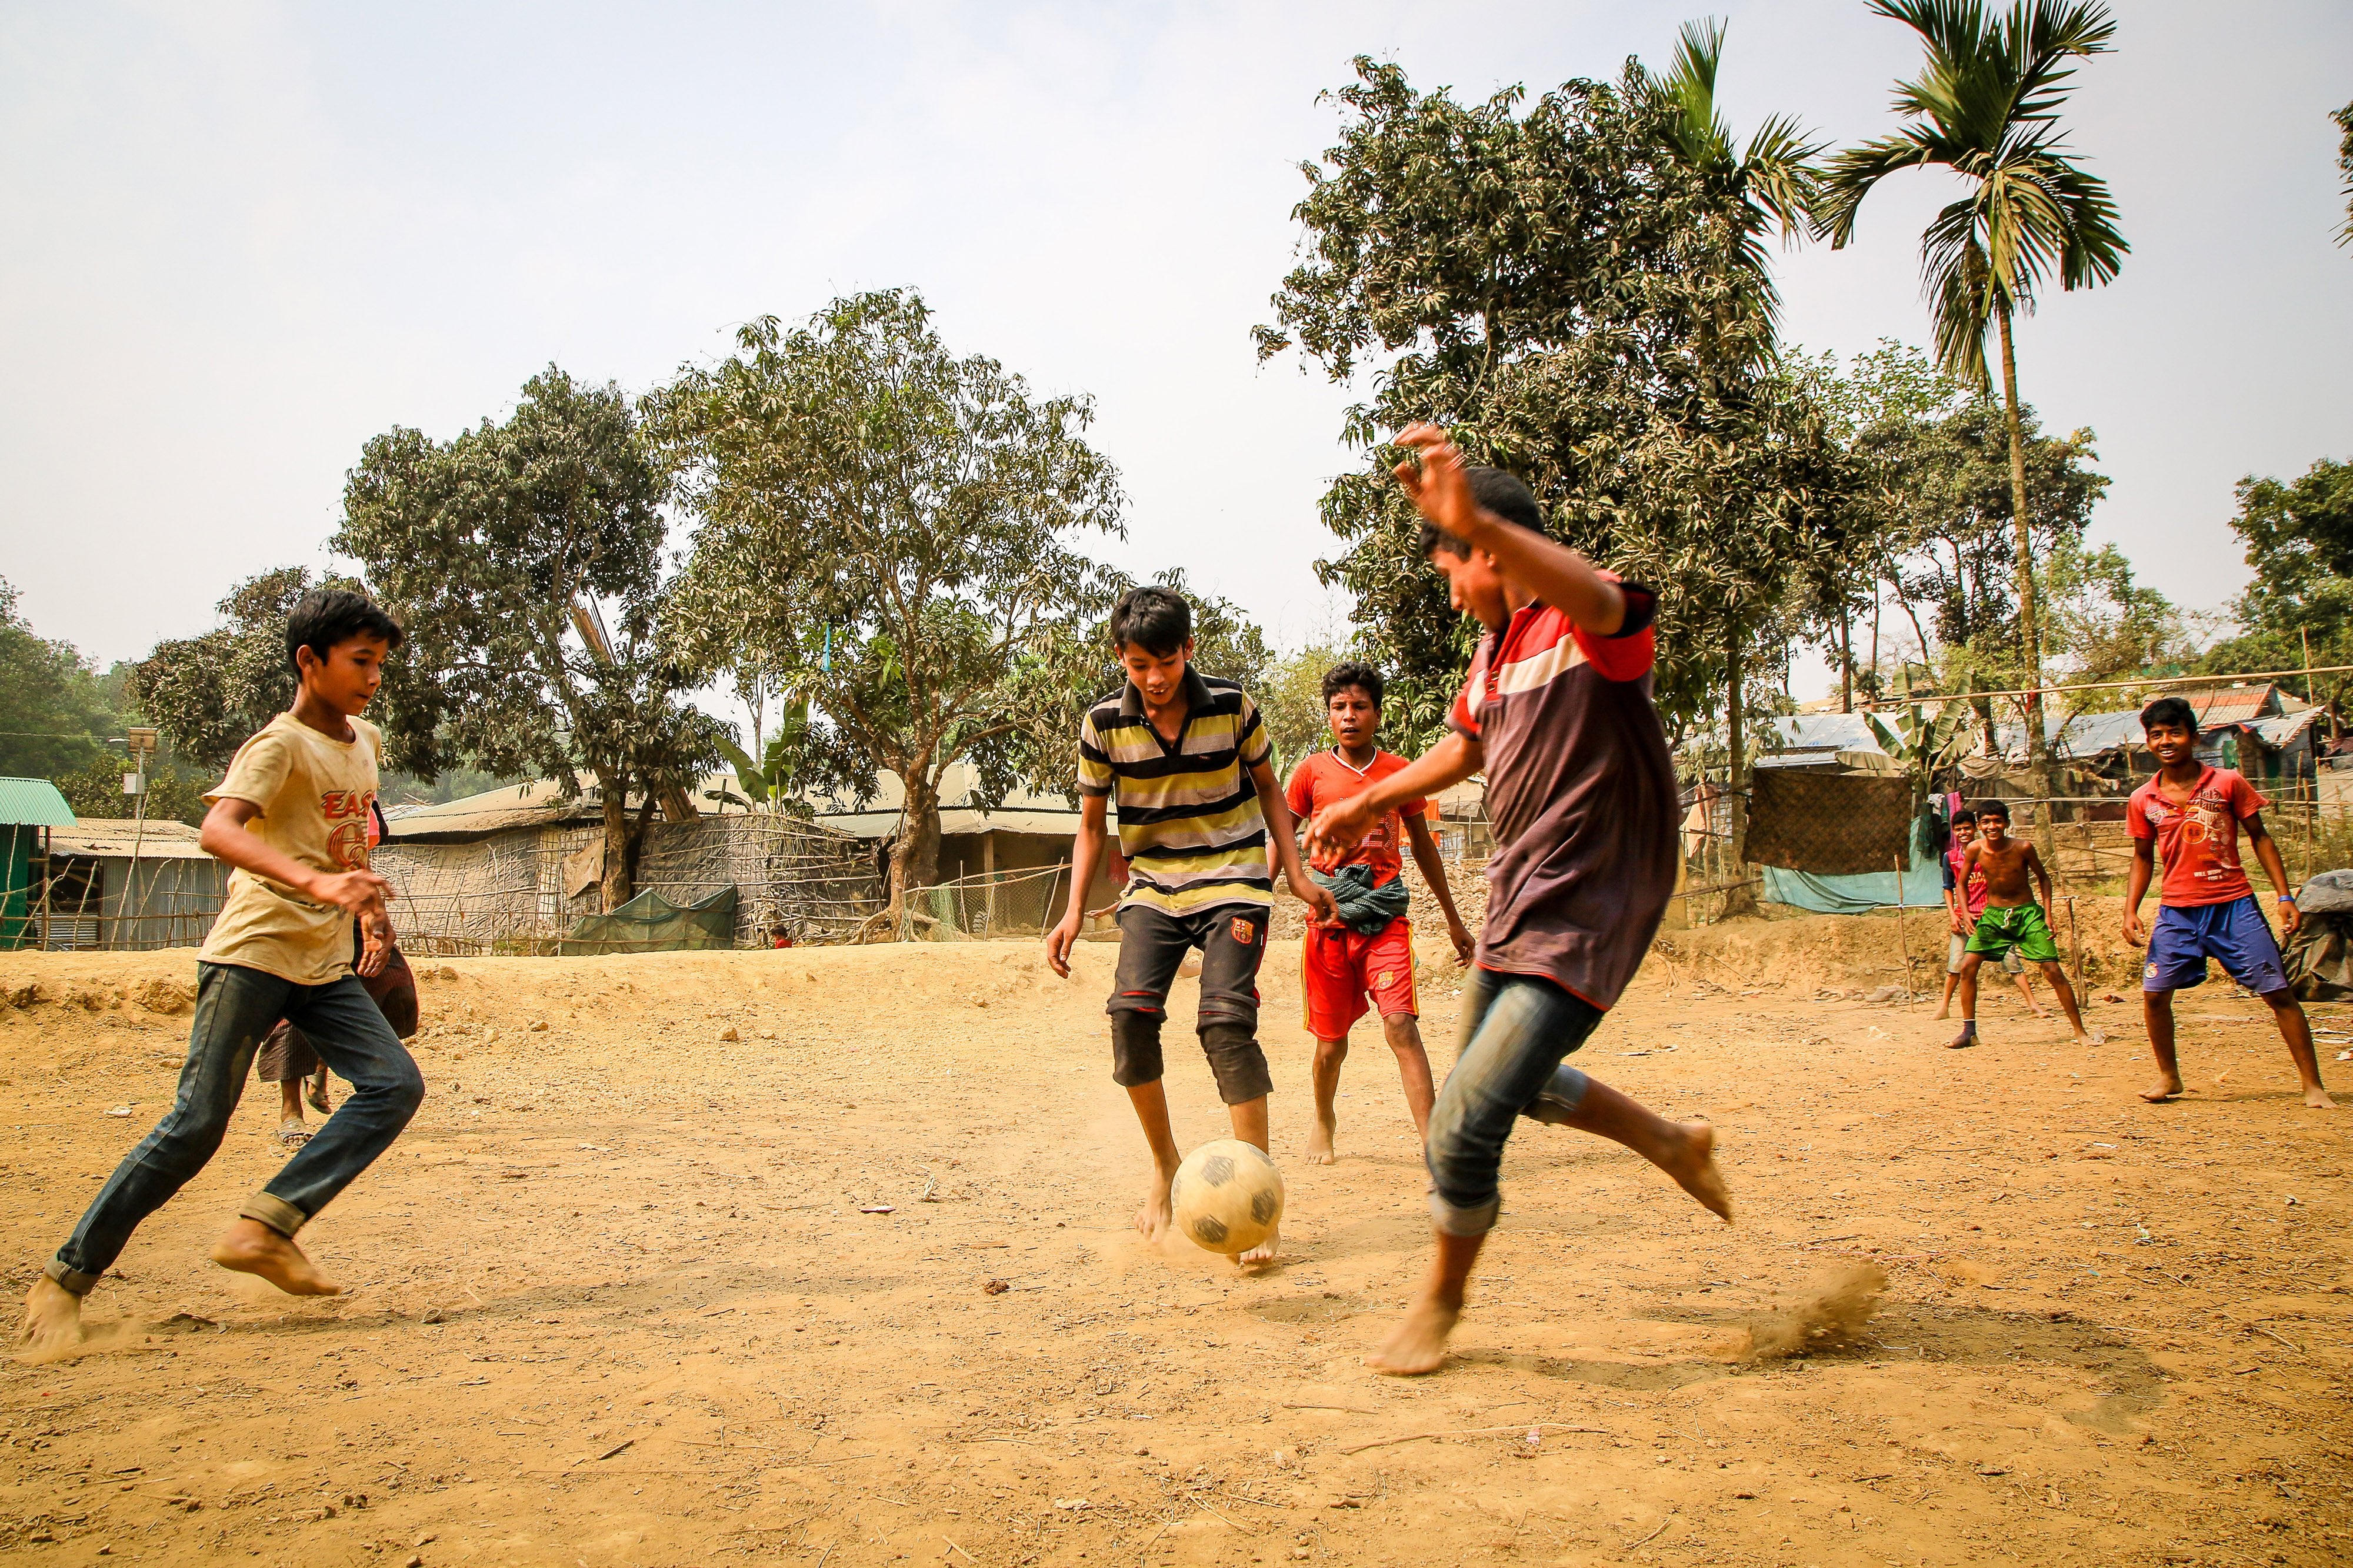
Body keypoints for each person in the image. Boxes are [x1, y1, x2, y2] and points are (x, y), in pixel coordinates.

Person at [1307, 426, 1729, 1376]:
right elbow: (1467, 746)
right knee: (1520, 1083)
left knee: (1461, 1123)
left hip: (1589, 907)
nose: (1450, 590)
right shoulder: (1493, 657)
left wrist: (1482, 519)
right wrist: (1371, 796)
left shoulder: (1587, 629)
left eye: (1454, 565)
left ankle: (1440, 1303)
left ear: (1492, 555)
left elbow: (1601, 595)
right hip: (1517, 905)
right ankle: (1671, 1140)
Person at [19, 589, 426, 1358]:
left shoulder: (362, 740)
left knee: (394, 1084)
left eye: (381, 663)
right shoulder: (278, 745)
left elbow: (346, 841)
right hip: (252, 951)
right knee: (197, 1123)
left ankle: (265, 1226)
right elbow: (219, 829)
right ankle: (66, 1278)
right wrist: (319, 887)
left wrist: (369, 910)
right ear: (310, 661)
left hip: (324, 961)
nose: (374, 677)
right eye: (360, 660)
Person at [1045, 585, 1336, 1266]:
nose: (1154, 677)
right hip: (1152, 888)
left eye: (1167, 661)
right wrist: (1070, 913)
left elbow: (1270, 790)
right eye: (1139, 663)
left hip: (1235, 881)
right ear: (1120, 656)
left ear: (1188, 650)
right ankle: (1164, 1162)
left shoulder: (1233, 705)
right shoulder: (1101, 724)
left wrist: (1292, 874)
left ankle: (1257, 1201)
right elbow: (1092, 828)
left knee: (1225, 1022)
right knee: (1129, 1014)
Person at [1284, 660, 1475, 1163]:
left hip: (1385, 916)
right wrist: (1278, 888)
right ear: (1329, 716)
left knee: (1400, 1026)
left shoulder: (1400, 773)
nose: (1349, 716)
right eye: (1339, 707)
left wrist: (1454, 920)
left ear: (1377, 714)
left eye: (1359, 707)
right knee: (1330, 1046)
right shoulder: (1310, 773)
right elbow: (1282, 837)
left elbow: (1424, 848)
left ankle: (1436, 1148)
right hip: (1327, 923)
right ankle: (1324, 1120)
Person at [2123, 696, 2331, 1109]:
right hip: (2177, 912)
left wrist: (2285, 896)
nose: (2166, 741)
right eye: (2157, 735)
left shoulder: (2227, 782)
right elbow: (2143, 858)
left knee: (2278, 993)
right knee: (2155, 994)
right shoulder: (2143, 799)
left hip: (2234, 905)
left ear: (2193, 737)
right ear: (2148, 742)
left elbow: (2261, 837)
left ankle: (2313, 1085)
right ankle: (2169, 1075)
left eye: (2175, 733)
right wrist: (2130, 909)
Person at [1947, 799, 2100, 1050]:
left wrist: (2048, 915)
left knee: (2052, 969)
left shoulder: (2023, 847)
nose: (1992, 827)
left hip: (2028, 915)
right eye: (1986, 822)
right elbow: (1961, 884)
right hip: (1994, 916)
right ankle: (1969, 1031)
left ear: (2007, 823)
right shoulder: (1975, 849)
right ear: (1979, 826)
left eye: (1997, 821)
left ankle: (2079, 1031)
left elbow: (2044, 879)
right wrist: (1964, 913)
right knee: (1967, 966)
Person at [1934, 807, 2045, 1022]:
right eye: (1958, 830)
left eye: (1967, 828)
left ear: (1976, 829)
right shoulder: (1951, 857)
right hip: (1965, 917)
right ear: (1954, 833)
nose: (1963, 833)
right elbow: (1951, 886)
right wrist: (1954, 915)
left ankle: (2033, 1004)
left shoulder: (1988, 852)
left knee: (2012, 960)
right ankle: (1944, 1007)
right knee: (1955, 965)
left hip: (1992, 916)